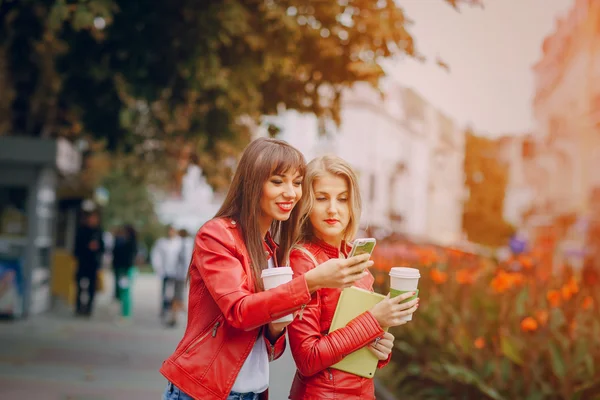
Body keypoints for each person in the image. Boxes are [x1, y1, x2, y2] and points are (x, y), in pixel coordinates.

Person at [159, 138, 373, 400]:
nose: (291, 192)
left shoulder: (273, 251)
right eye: (277, 181)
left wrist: (276, 328)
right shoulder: (217, 235)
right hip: (204, 390)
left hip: (255, 392)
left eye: (296, 183)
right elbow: (239, 312)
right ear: (252, 183)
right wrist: (310, 282)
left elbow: (271, 348)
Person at [287, 155, 420, 399]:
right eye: (322, 198)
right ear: (306, 203)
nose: (333, 209)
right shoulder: (304, 260)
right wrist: (373, 320)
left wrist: (380, 348)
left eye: (343, 199)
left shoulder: (355, 259)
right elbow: (307, 359)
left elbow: (354, 338)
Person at [73, 211, 105, 317]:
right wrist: (87, 247)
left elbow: (102, 248)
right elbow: (76, 248)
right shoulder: (82, 231)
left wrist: (97, 249)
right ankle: (78, 306)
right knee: (80, 285)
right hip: (83, 262)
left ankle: (89, 308)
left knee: (91, 287)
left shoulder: (98, 232)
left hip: (93, 263)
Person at [151, 225, 182, 319]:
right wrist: (158, 268)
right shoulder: (161, 242)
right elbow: (156, 256)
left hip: (177, 272)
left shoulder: (179, 243)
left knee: (175, 293)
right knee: (165, 292)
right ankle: (164, 309)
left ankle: (174, 310)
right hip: (164, 271)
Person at [165, 228, 194, 327]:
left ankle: (176, 317)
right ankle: (175, 317)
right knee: (177, 297)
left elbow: (185, 260)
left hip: (180, 275)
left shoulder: (184, 244)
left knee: (177, 297)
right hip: (179, 274)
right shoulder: (186, 244)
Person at [112, 224, 138, 320]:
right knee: (122, 291)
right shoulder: (122, 241)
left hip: (126, 270)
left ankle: (126, 314)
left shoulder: (130, 243)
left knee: (125, 292)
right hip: (122, 269)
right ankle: (123, 312)